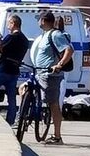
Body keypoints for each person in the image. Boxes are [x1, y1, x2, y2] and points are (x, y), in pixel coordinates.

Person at [27, 12, 73, 144]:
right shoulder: (44, 35)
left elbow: (68, 50)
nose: (37, 22)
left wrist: (59, 65)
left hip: (50, 75)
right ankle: (24, 117)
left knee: (53, 104)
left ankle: (57, 136)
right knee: (25, 89)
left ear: (44, 21)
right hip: (39, 73)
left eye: (39, 20)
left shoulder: (55, 34)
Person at [0, 14, 28, 125]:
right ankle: (11, 121)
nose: (8, 26)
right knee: (11, 98)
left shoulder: (11, 37)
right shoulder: (24, 39)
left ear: (13, 23)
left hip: (2, 69)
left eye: (9, 23)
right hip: (14, 71)